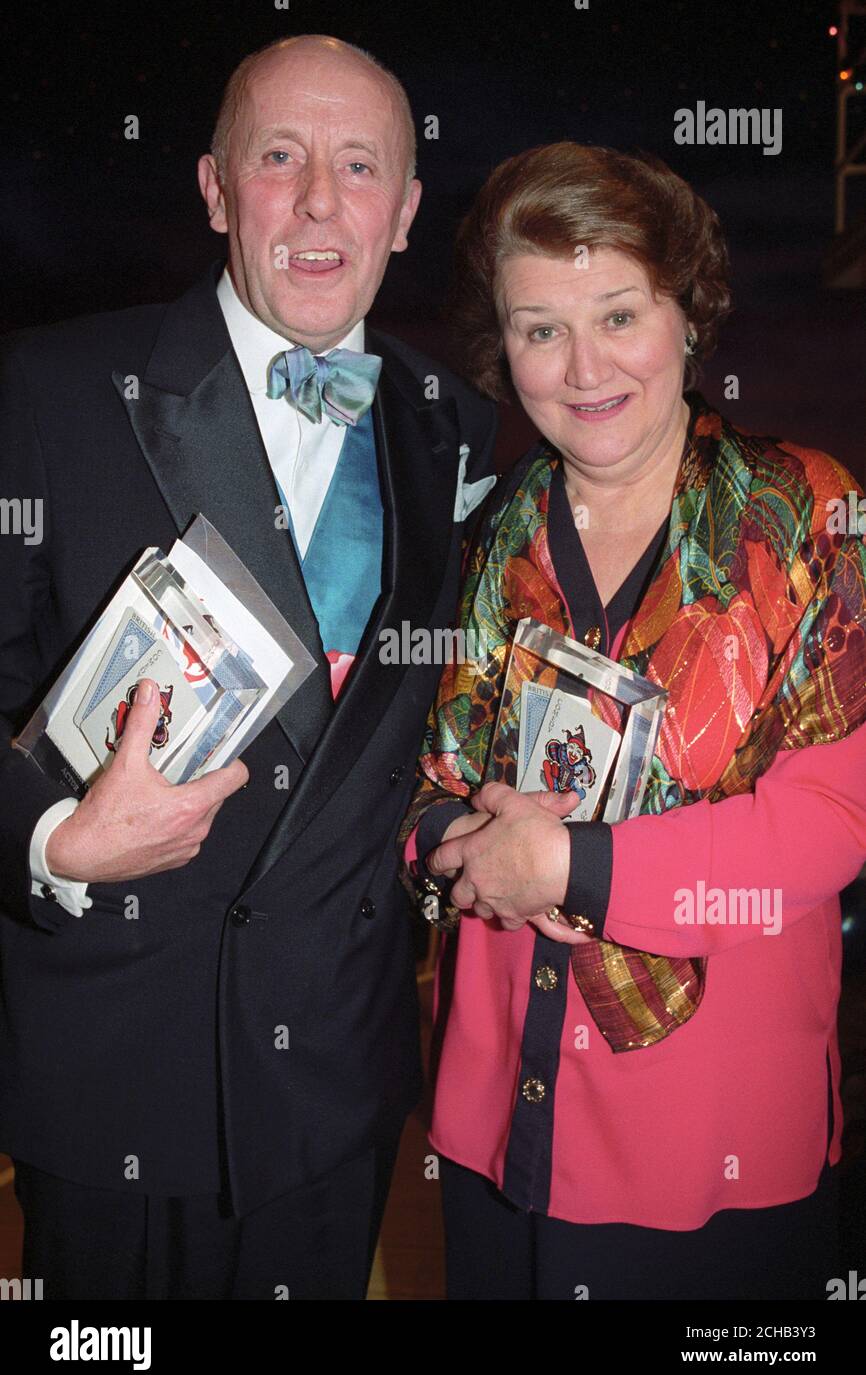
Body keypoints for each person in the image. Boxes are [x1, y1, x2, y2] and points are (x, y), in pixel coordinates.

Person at [0, 34, 497, 1300]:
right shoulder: (51, 391)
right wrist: (53, 836)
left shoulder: (457, 426)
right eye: (281, 159)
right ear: (218, 191)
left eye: (358, 166)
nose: (321, 200)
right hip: (112, 1066)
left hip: (330, 1076)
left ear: (404, 213)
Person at [400, 142, 866, 1300]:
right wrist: (450, 846)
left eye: (617, 313)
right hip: (494, 1129)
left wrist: (570, 862)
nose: (581, 365)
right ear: (498, 346)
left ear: (687, 314)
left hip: (710, 1156)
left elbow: (827, 822)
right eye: (537, 327)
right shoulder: (485, 533)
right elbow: (409, 775)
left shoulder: (804, 515)